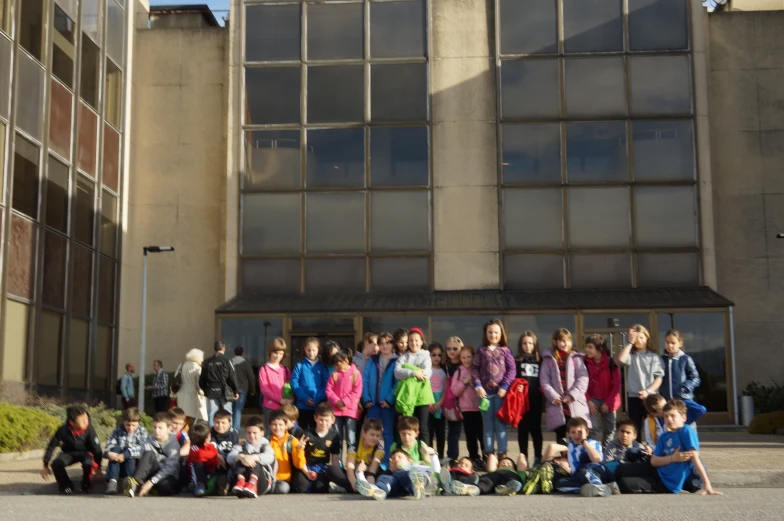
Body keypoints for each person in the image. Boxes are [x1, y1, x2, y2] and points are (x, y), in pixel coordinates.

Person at [616, 399, 722, 496]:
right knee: (621, 469)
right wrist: (673, 458)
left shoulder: (686, 431)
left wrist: (707, 484)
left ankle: (608, 487)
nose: (669, 419)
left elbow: (695, 458)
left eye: (673, 416)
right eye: (666, 416)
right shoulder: (664, 436)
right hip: (657, 470)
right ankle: (601, 482)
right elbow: (654, 461)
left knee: (624, 483)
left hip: (667, 484)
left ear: (683, 417)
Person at [540, 417, 618, 498]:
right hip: (579, 477)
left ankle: (598, 487)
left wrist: (584, 441)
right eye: (573, 432)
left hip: (597, 472)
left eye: (580, 432)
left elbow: (597, 460)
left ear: (587, 432)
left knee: (585, 470)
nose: (577, 435)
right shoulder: (570, 446)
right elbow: (551, 448)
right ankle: (598, 488)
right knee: (560, 484)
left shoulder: (592, 443)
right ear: (569, 434)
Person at [471, 319, 516, 458]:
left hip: (501, 394)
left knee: (500, 425)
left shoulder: (505, 350)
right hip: (485, 395)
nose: (493, 335)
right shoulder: (481, 350)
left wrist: (505, 386)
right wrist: (477, 386)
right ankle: (489, 455)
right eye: (490, 332)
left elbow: (512, 369)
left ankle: (502, 455)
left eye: (496, 332)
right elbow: (474, 369)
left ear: (501, 333)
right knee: (488, 426)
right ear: (486, 333)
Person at [541, 328, 590, 442]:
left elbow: (583, 379)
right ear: (555, 342)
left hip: (574, 402)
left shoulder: (576, 358)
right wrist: (553, 396)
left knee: (578, 433)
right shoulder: (548, 359)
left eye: (568, 340)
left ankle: (578, 457)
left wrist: (572, 395)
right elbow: (544, 381)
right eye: (562, 340)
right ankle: (564, 457)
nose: (565, 343)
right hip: (558, 403)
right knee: (561, 435)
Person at [42, 405, 102, 494]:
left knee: (88, 463)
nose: (86, 422)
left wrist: (99, 469)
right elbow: (51, 446)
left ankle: (86, 484)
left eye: (86, 419)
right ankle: (66, 486)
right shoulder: (63, 430)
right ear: (72, 422)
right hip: (69, 453)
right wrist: (45, 464)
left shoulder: (89, 429)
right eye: (82, 421)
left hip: (86, 453)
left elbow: (97, 449)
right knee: (56, 464)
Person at [618, 325, 664, 437]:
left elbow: (658, 379)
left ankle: (655, 451)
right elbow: (621, 359)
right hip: (634, 397)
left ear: (647, 338)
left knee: (654, 428)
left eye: (642, 337)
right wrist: (630, 342)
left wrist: (648, 391)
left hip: (651, 398)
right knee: (635, 428)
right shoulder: (631, 356)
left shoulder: (654, 357)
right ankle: (636, 450)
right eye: (636, 338)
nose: (640, 341)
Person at [123, 412, 181, 497]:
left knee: (165, 487)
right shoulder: (149, 440)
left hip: (168, 475)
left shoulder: (174, 444)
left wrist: (151, 482)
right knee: (149, 453)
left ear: (169, 428)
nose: (156, 431)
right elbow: (142, 456)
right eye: (154, 427)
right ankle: (134, 483)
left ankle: (150, 487)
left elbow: (170, 468)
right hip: (153, 471)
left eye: (160, 428)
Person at [362, 331, 398, 465]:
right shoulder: (374, 359)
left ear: (392, 345)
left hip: (387, 404)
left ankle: (387, 462)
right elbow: (364, 379)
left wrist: (389, 400)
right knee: (370, 433)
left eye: (387, 343)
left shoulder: (396, 360)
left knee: (388, 434)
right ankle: (367, 460)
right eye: (381, 343)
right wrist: (366, 398)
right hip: (372, 403)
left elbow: (397, 383)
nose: (385, 346)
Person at [394, 327, 434, 443]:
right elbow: (397, 373)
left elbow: (427, 373)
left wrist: (407, 369)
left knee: (422, 427)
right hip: (407, 397)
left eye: (416, 340)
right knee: (407, 427)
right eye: (411, 340)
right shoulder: (403, 357)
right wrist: (414, 372)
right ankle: (407, 454)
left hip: (422, 396)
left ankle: (424, 457)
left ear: (422, 342)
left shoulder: (426, 356)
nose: (413, 343)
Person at [660, 329, 707, 427]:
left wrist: (686, 387)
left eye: (673, 343)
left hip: (683, 399)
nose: (670, 345)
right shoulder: (662, 360)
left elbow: (695, 378)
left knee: (700, 410)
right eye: (667, 342)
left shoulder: (685, 359)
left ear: (680, 343)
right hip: (667, 400)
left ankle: (683, 424)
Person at [302, 403, 353, 493]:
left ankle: (352, 488)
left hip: (322, 469)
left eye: (327, 420)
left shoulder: (334, 435)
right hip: (307, 467)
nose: (324, 423)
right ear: (315, 418)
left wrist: (337, 475)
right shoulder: (307, 434)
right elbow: (299, 456)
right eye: (321, 420)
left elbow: (335, 458)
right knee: (301, 488)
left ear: (333, 420)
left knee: (321, 487)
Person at [354, 449, 442, 500]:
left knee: (404, 473)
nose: (395, 459)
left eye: (399, 457)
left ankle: (417, 486)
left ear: (409, 461)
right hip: (399, 489)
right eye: (392, 458)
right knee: (384, 478)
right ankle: (380, 491)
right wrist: (359, 473)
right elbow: (366, 485)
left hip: (424, 482)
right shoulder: (388, 474)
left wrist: (433, 454)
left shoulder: (416, 466)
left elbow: (436, 470)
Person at [583, 334, 621, 447]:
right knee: (592, 428)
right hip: (592, 400)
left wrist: (607, 402)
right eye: (586, 347)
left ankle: (606, 455)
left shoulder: (610, 362)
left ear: (599, 348)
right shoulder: (584, 362)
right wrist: (588, 400)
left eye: (590, 347)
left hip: (608, 400)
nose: (587, 350)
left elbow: (616, 385)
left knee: (609, 429)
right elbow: (581, 383)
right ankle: (592, 454)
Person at [450, 345, 483, 466]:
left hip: (480, 408)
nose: (466, 360)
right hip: (466, 409)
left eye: (469, 357)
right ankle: (474, 457)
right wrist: (464, 382)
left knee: (482, 434)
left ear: (473, 357)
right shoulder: (459, 372)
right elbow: (454, 391)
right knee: (470, 436)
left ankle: (485, 456)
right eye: (463, 357)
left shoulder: (478, 370)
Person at [227, 416, 276, 498]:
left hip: (261, 482)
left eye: (254, 433)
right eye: (249, 433)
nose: (251, 436)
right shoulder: (242, 444)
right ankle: (241, 481)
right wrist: (240, 457)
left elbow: (270, 457)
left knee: (253, 456)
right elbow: (229, 458)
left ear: (262, 432)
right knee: (242, 454)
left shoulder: (265, 445)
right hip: (243, 483)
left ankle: (252, 482)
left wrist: (255, 457)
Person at [325, 349, 363, 455]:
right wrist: (337, 401)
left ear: (346, 361)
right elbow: (328, 390)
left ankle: (351, 462)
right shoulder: (334, 374)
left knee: (351, 438)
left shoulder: (356, 373)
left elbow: (357, 391)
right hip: (336, 411)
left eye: (338, 363)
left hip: (351, 411)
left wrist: (345, 402)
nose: (336, 366)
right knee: (338, 438)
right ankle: (340, 462)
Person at [104, 407, 148, 495]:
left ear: (138, 423)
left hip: (132, 464)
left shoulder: (142, 432)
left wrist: (126, 454)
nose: (130, 428)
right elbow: (110, 444)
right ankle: (113, 481)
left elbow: (142, 448)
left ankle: (129, 481)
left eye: (133, 425)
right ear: (124, 422)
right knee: (116, 448)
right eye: (128, 425)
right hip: (118, 464)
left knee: (130, 451)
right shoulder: (118, 431)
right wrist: (109, 453)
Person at [516, 331, 543, 465]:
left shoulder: (540, 360)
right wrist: (517, 386)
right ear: (521, 345)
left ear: (535, 344)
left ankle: (538, 457)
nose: (527, 346)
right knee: (523, 431)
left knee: (536, 430)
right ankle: (523, 457)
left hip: (536, 400)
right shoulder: (517, 361)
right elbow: (513, 379)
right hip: (521, 402)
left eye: (530, 343)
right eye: (525, 343)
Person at [290, 337, 328, 432]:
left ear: (318, 350)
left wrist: (317, 398)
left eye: (314, 350)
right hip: (302, 405)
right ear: (305, 349)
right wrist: (304, 397)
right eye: (309, 350)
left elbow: (326, 384)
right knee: (302, 431)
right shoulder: (300, 366)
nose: (311, 353)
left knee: (315, 431)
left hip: (317, 406)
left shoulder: (322, 367)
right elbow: (294, 382)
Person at [268, 410, 310, 494]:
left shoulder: (292, 440)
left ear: (286, 426)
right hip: (268, 477)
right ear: (269, 426)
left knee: (284, 488)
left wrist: (299, 450)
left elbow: (299, 464)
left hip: (284, 479)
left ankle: (267, 489)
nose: (277, 427)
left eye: (280, 425)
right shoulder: (267, 440)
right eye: (274, 424)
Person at [200, 340, 240, 426]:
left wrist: (205, 390)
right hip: (224, 391)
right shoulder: (226, 360)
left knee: (212, 414)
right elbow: (232, 376)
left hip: (211, 390)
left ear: (214, 349)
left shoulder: (207, 362)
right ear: (223, 348)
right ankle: (229, 433)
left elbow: (202, 378)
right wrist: (235, 390)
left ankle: (211, 434)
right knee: (228, 413)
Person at [258, 337, 292, 433]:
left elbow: (290, 387)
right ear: (270, 352)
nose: (277, 356)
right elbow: (265, 389)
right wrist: (280, 400)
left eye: (280, 353)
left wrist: (290, 400)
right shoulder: (264, 369)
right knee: (269, 433)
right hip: (269, 407)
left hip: (284, 408)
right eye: (275, 353)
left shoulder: (285, 370)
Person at [345, 418, 386, 492]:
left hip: (370, 474)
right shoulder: (355, 446)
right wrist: (354, 483)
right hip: (355, 474)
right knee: (332, 470)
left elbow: (375, 464)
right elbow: (350, 466)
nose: (374, 438)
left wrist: (371, 475)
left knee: (384, 475)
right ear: (364, 433)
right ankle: (356, 488)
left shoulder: (379, 448)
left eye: (378, 435)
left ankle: (371, 487)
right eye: (372, 435)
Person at [443, 336, 464, 461]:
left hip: (467, 402)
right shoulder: (444, 366)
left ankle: (476, 457)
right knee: (453, 431)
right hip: (451, 403)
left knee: (473, 431)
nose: (452, 351)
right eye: (449, 348)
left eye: (455, 348)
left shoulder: (465, 363)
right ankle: (452, 456)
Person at [210, 408, 239, 495]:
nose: (220, 425)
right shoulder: (211, 432)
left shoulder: (233, 433)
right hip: (216, 460)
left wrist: (229, 459)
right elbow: (210, 446)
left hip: (229, 460)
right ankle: (219, 485)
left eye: (223, 423)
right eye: (217, 422)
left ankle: (229, 484)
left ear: (229, 423)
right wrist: (217, 455)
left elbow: (236, 449)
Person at [175, 348, 207, 427]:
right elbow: (199, 384)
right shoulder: (197, 368)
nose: (202, 360)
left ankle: (181, 433)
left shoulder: (181, 365)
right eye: (202, 357)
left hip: (181, 394)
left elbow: (176, 377)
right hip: (192, 395)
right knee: (198, 417)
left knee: (182, 416)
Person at [187, 423, 220, 497]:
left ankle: (214, 485)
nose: (210, 436)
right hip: (197, 476)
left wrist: (218, 458)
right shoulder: (194, 448)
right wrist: (216, 456)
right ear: (204, 438)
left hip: (209, 472)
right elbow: (200, 455)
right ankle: (198, 485)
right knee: (198, 463)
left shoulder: (211, 445)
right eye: (208, 435)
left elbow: (215, 457)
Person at [427, 342, 448, 458]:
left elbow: (445, 388)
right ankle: (429, 456)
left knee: (440, 431)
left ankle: (440, 455)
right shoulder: (426, 369)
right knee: (429, 431)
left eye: (439, 355)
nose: (436, 357)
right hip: (428, 401)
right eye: (433, 355)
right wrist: (429, 402)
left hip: (440, 402)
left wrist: (440, 402)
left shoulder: (444, 370)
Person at [232, 346, 257, 432]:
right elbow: (251, 377)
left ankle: (230, 427)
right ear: (243, 354)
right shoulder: (246, 364)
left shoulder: (230, 362)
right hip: (242, 389)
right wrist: (253, 390)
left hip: (231, 389)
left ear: (234, 353)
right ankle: (236, 428)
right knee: (238, 409)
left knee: (230, 409)